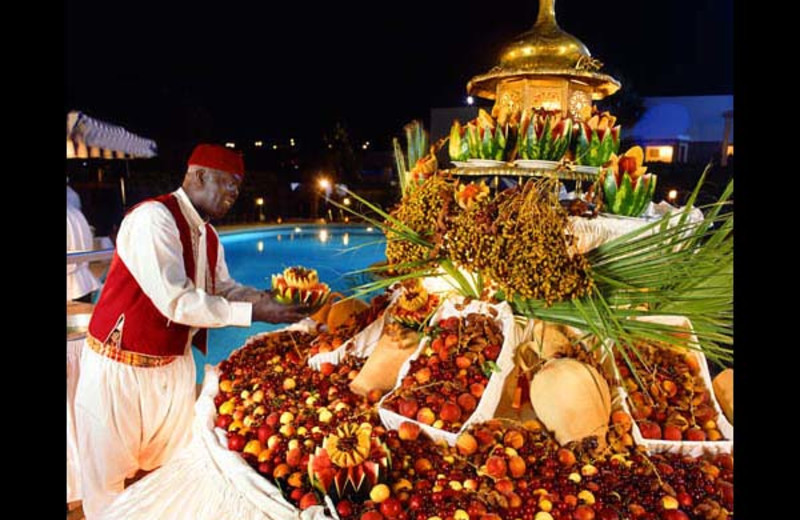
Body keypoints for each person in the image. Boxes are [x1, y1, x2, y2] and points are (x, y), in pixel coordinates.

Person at [73, 144, 314, 518]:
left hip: (174, 368)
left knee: (172, 473)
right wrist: (252, 311)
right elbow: (175, 300)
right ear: (198, 176)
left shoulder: (209, 236)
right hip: (120, 371)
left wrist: (268, 301)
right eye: (228, 185)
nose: (234, 195)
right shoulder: (154, 219)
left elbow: (223, 288)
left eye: (238, 188)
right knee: (106, 481)